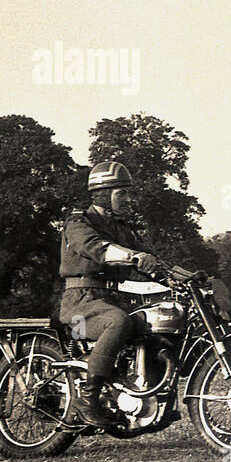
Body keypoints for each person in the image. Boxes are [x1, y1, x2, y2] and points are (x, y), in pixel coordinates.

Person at [59, 160, 165, 428]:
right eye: (122, 193)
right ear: (104, 194)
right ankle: (88, 398)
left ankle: (150, 397)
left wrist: (185, 275)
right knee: (118, 322)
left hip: (113, 299)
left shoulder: (121, 228)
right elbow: (98, 249)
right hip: (81, 301)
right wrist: (134, 256)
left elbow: (152, 259)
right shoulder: (78, 222)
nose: (128, 199)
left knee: (153, 324)